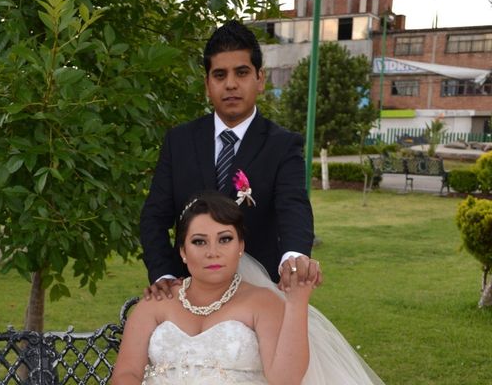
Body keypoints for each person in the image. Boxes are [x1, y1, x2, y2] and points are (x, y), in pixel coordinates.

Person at [111, 192, 384, 385]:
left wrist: (297, 301)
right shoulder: (156, 302)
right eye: (199, 242)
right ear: (182, 251)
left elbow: (285, 380)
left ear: (240, 246)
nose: (213, 252)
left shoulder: (262, 302)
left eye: (225, 239)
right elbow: (126, 374)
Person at [140, 20, 318, 297]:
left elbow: (293, 208)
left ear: (260, 79)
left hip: (258, 294)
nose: (231, 84)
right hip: (187, 294)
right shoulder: (179, 141)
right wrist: (164, 273)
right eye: (220, 75)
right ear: (207, 84)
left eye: (242, 72)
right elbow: (154, 216)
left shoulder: (282, 145)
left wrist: (293, 258)